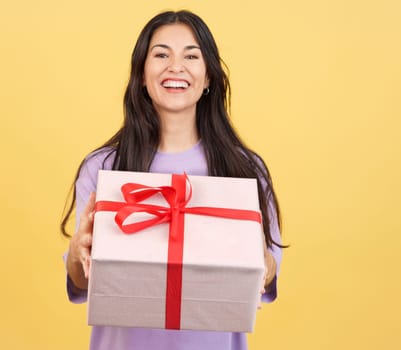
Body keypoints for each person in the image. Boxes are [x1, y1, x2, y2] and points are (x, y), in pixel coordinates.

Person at [60, 10, 284, 350]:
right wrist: (78, 252)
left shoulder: (245, 171)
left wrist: (259, 265)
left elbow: (268, 278)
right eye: (161, 54)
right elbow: (82, 282)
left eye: (191, 56)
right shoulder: (103, 168)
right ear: (141, 75)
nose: (175, 67)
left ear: (208, 76)